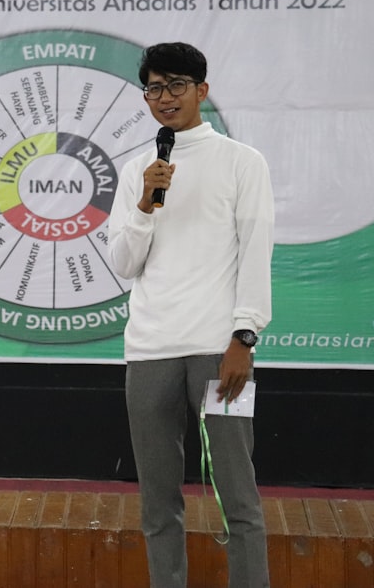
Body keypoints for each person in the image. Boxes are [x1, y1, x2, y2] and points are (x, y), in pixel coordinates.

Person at [108, 43, 274, 588]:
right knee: (157, 501)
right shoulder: (139, 171)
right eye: (154, 87)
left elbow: (255, 251)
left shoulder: (242, 162)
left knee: (238, 495)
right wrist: (144, 205)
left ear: (202, 90)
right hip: (148, 351)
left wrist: (243, 338)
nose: (165, 97)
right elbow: (124, 264)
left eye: (176, 85)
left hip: (217, 349)